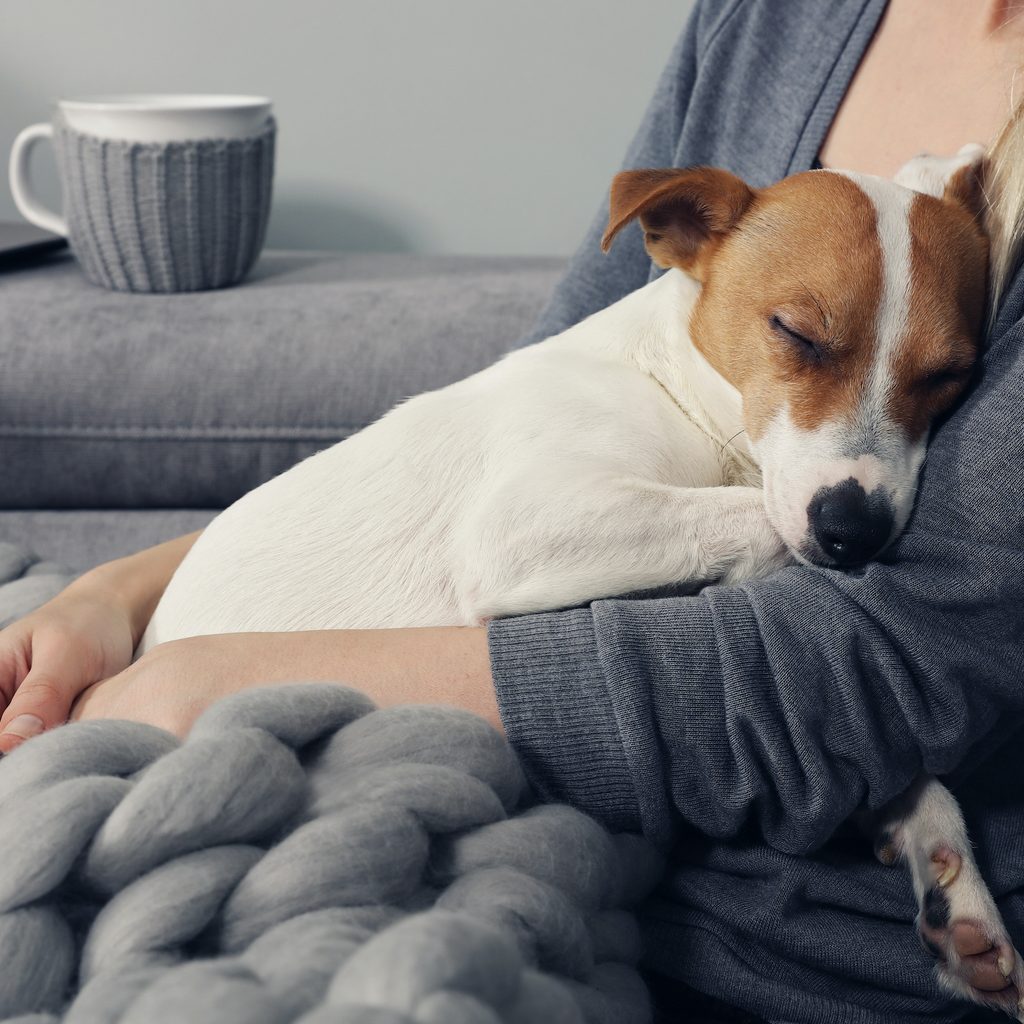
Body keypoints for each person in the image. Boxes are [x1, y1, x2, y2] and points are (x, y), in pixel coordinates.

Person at [2, 1, 1023, 1020]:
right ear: (673, 235)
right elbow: (517, 502)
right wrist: (119, 588)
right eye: (802, 339)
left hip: (725, 920)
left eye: (932, 388)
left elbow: (874, 665)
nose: (864, 468)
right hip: (234, 720)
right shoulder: (767, 22)